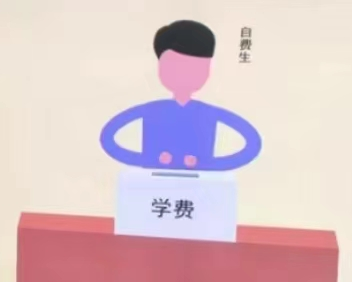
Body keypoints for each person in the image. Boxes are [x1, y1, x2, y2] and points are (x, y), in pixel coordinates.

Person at [99, 20, 262, 172]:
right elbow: (108, 137)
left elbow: (252, 143)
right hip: (153, 181)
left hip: (200, 183)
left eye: (197, 69)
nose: (186, 74)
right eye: (175, 67)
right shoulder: (152, 110)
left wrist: (207, 164)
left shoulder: (208, 113)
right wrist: (149, 159)